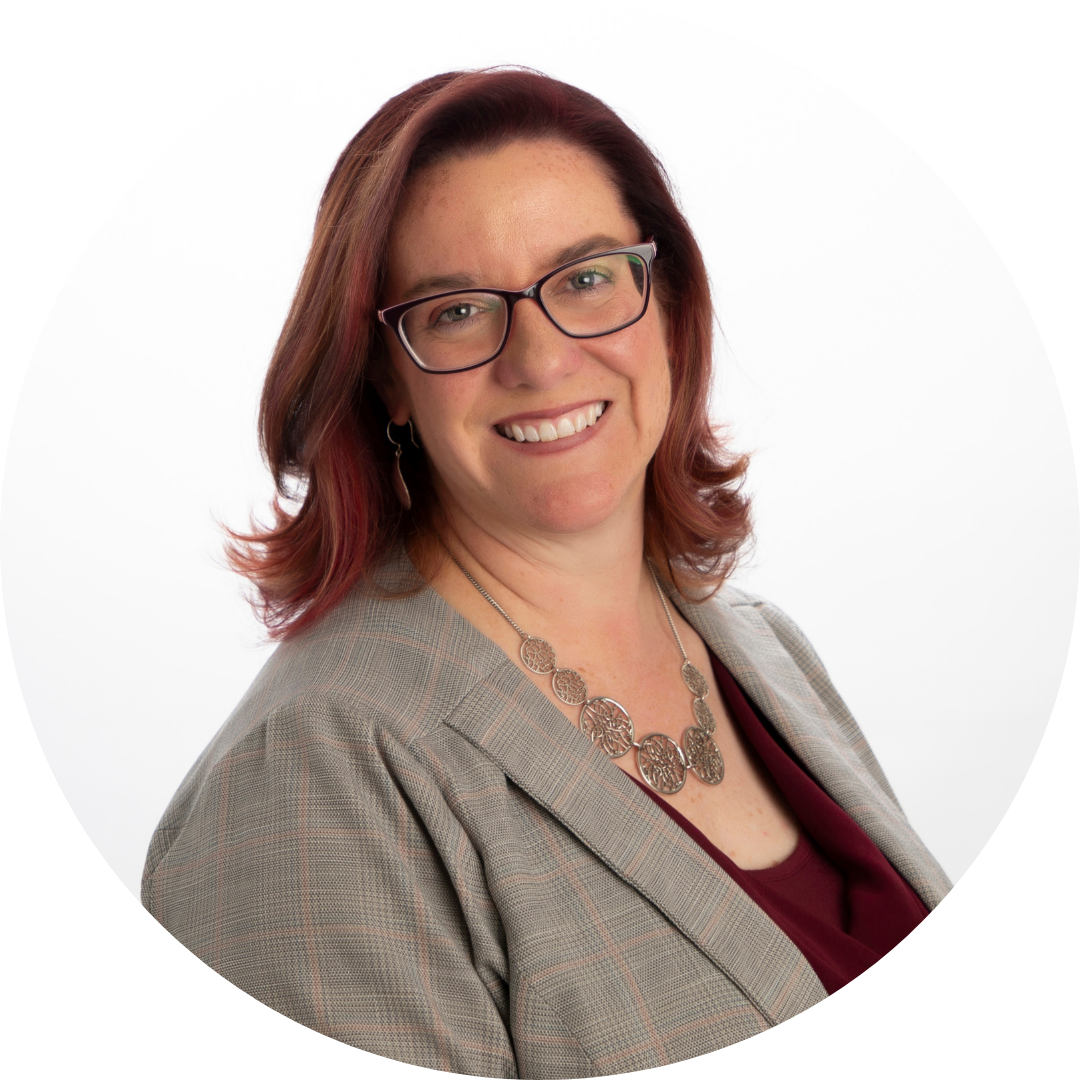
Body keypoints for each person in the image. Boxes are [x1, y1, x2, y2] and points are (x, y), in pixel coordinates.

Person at [141, 68, 949, 1074]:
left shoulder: (762, 649)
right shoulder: (315, 776)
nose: (541, 357)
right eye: (457, 310)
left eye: (586, 278)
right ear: (387, 378)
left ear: (666, 306)